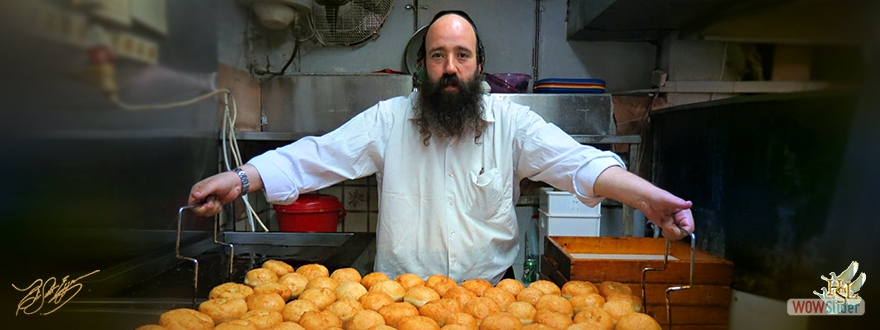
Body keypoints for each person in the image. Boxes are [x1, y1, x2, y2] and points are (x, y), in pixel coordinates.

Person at [189, 10, 694, 284]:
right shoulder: (390, 120)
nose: (449, 67)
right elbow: (315, 156)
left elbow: (581, 165)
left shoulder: (511, 123)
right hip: (400, 303)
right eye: (437, 55)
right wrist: (238, 179)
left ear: (478, 65)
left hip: (489, 298)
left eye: (461, 54)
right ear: (422, 66)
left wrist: (648, 198)